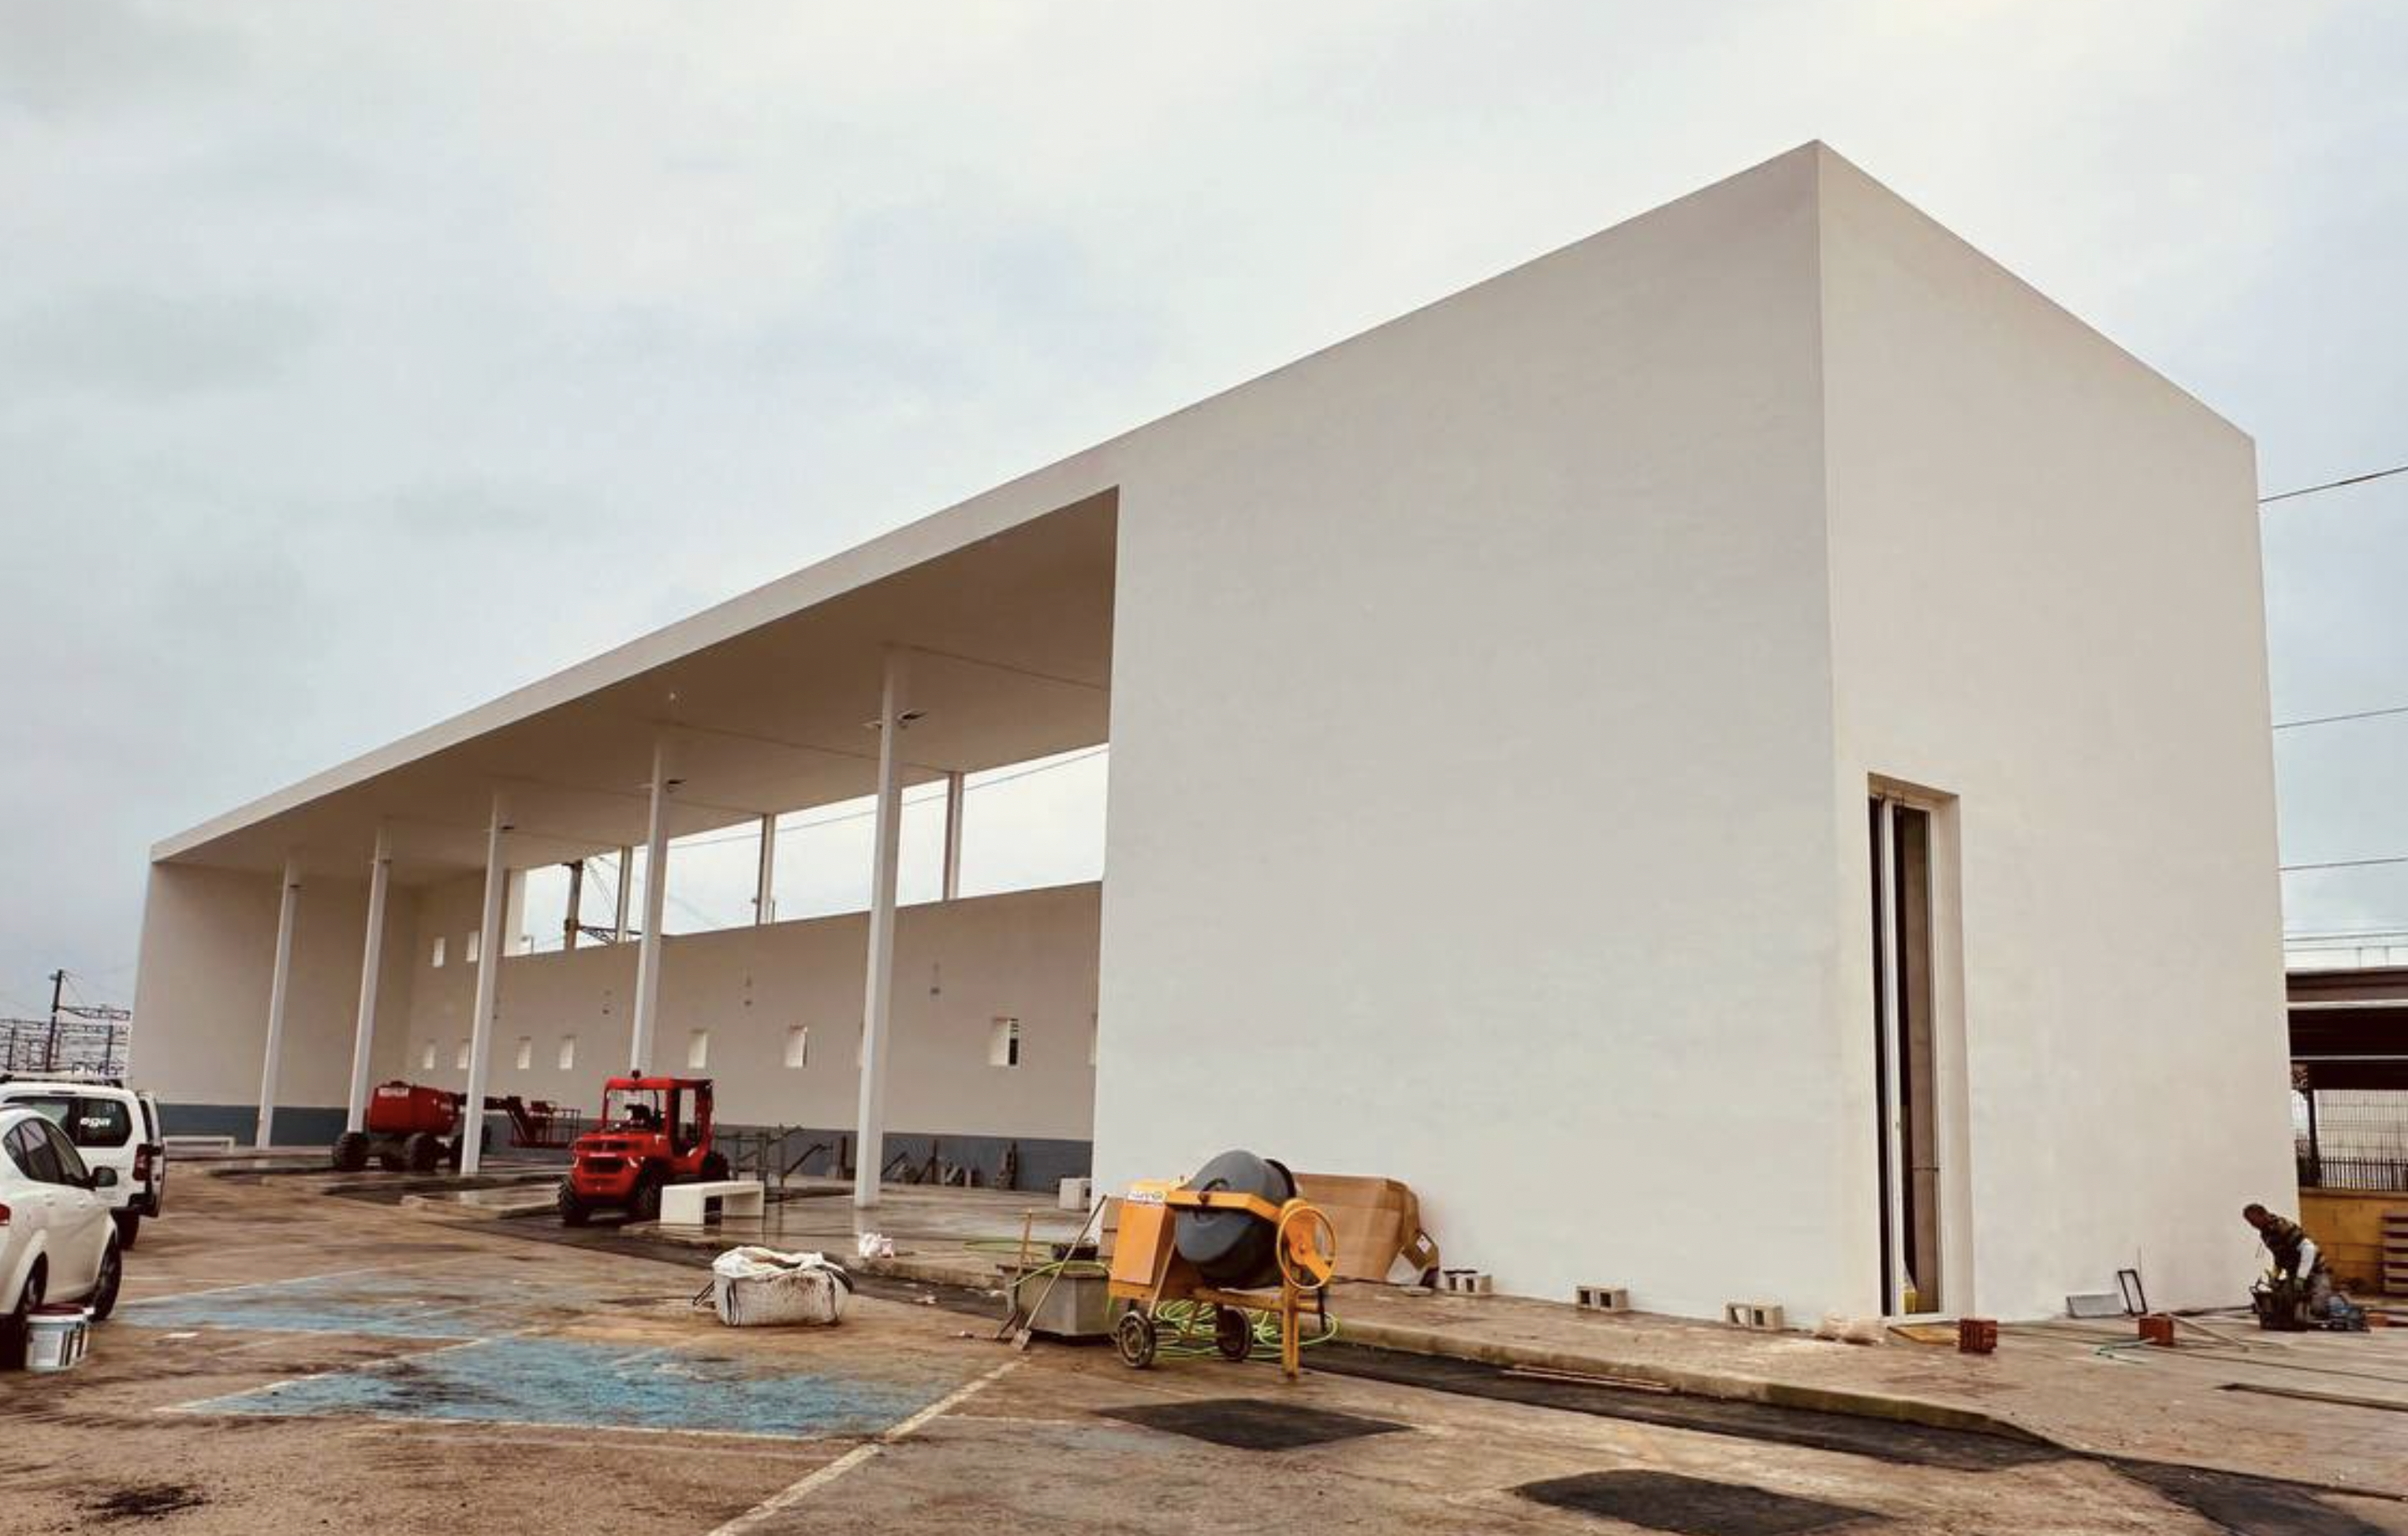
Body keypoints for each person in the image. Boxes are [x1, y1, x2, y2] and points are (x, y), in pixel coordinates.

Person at [2243, 1202, 2336, 1319]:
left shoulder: (2283, 1226)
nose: (2253, 1225)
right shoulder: (2266, 1234)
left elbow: (2309, 1249)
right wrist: (2275, 1275)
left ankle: (2335, 1303)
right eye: (2250, 1223)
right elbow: (2279, 1256)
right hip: (2294, 1274)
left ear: (2263, 1215)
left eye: (2253, 1221)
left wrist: (2301, 1277)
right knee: (2285, 1306)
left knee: (2318, 1308)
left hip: (2317, 1270)